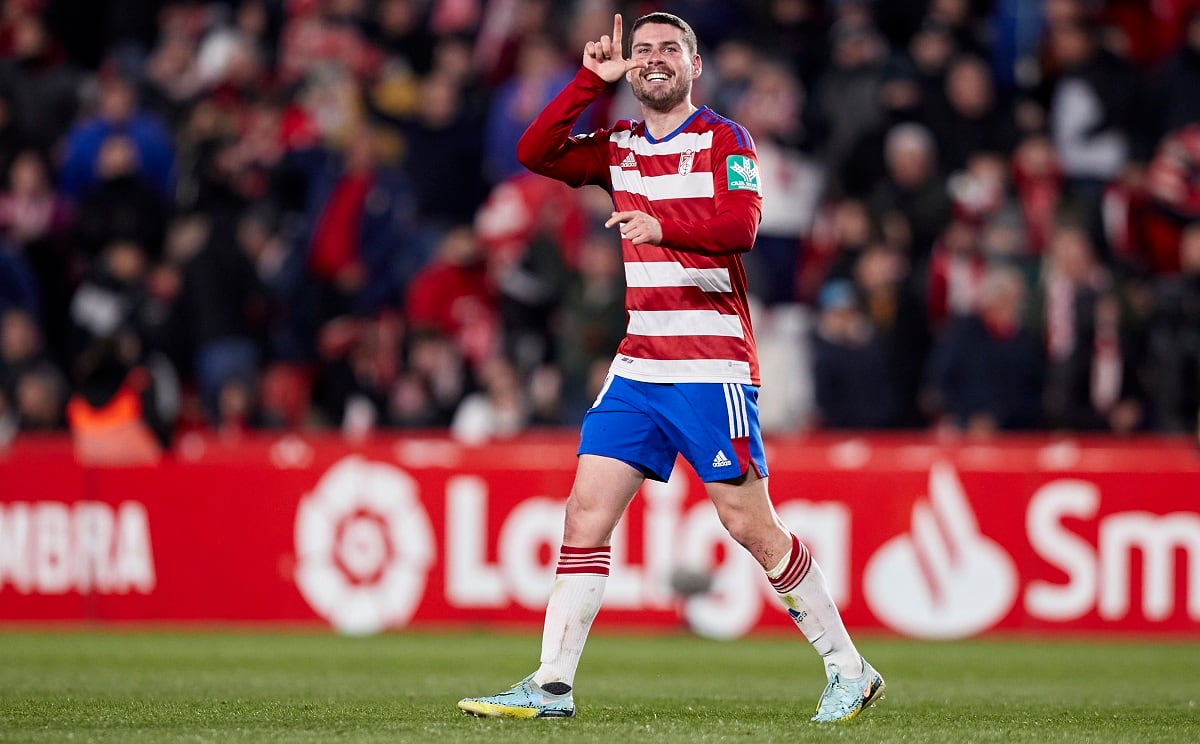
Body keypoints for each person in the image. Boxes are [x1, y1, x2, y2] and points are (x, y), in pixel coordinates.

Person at [457, 12, 884, 723]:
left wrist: (663, 226)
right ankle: (552, 685)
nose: (654, 59)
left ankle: (850, 668)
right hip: (639, 362)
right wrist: (588, 82)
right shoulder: (618, 144)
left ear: (694, 66)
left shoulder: (725, 139)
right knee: (584, 513)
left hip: (710, 363)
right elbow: (536, 151)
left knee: (750, 525)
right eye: (643, 50)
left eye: (669, 49)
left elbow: (741, 226)